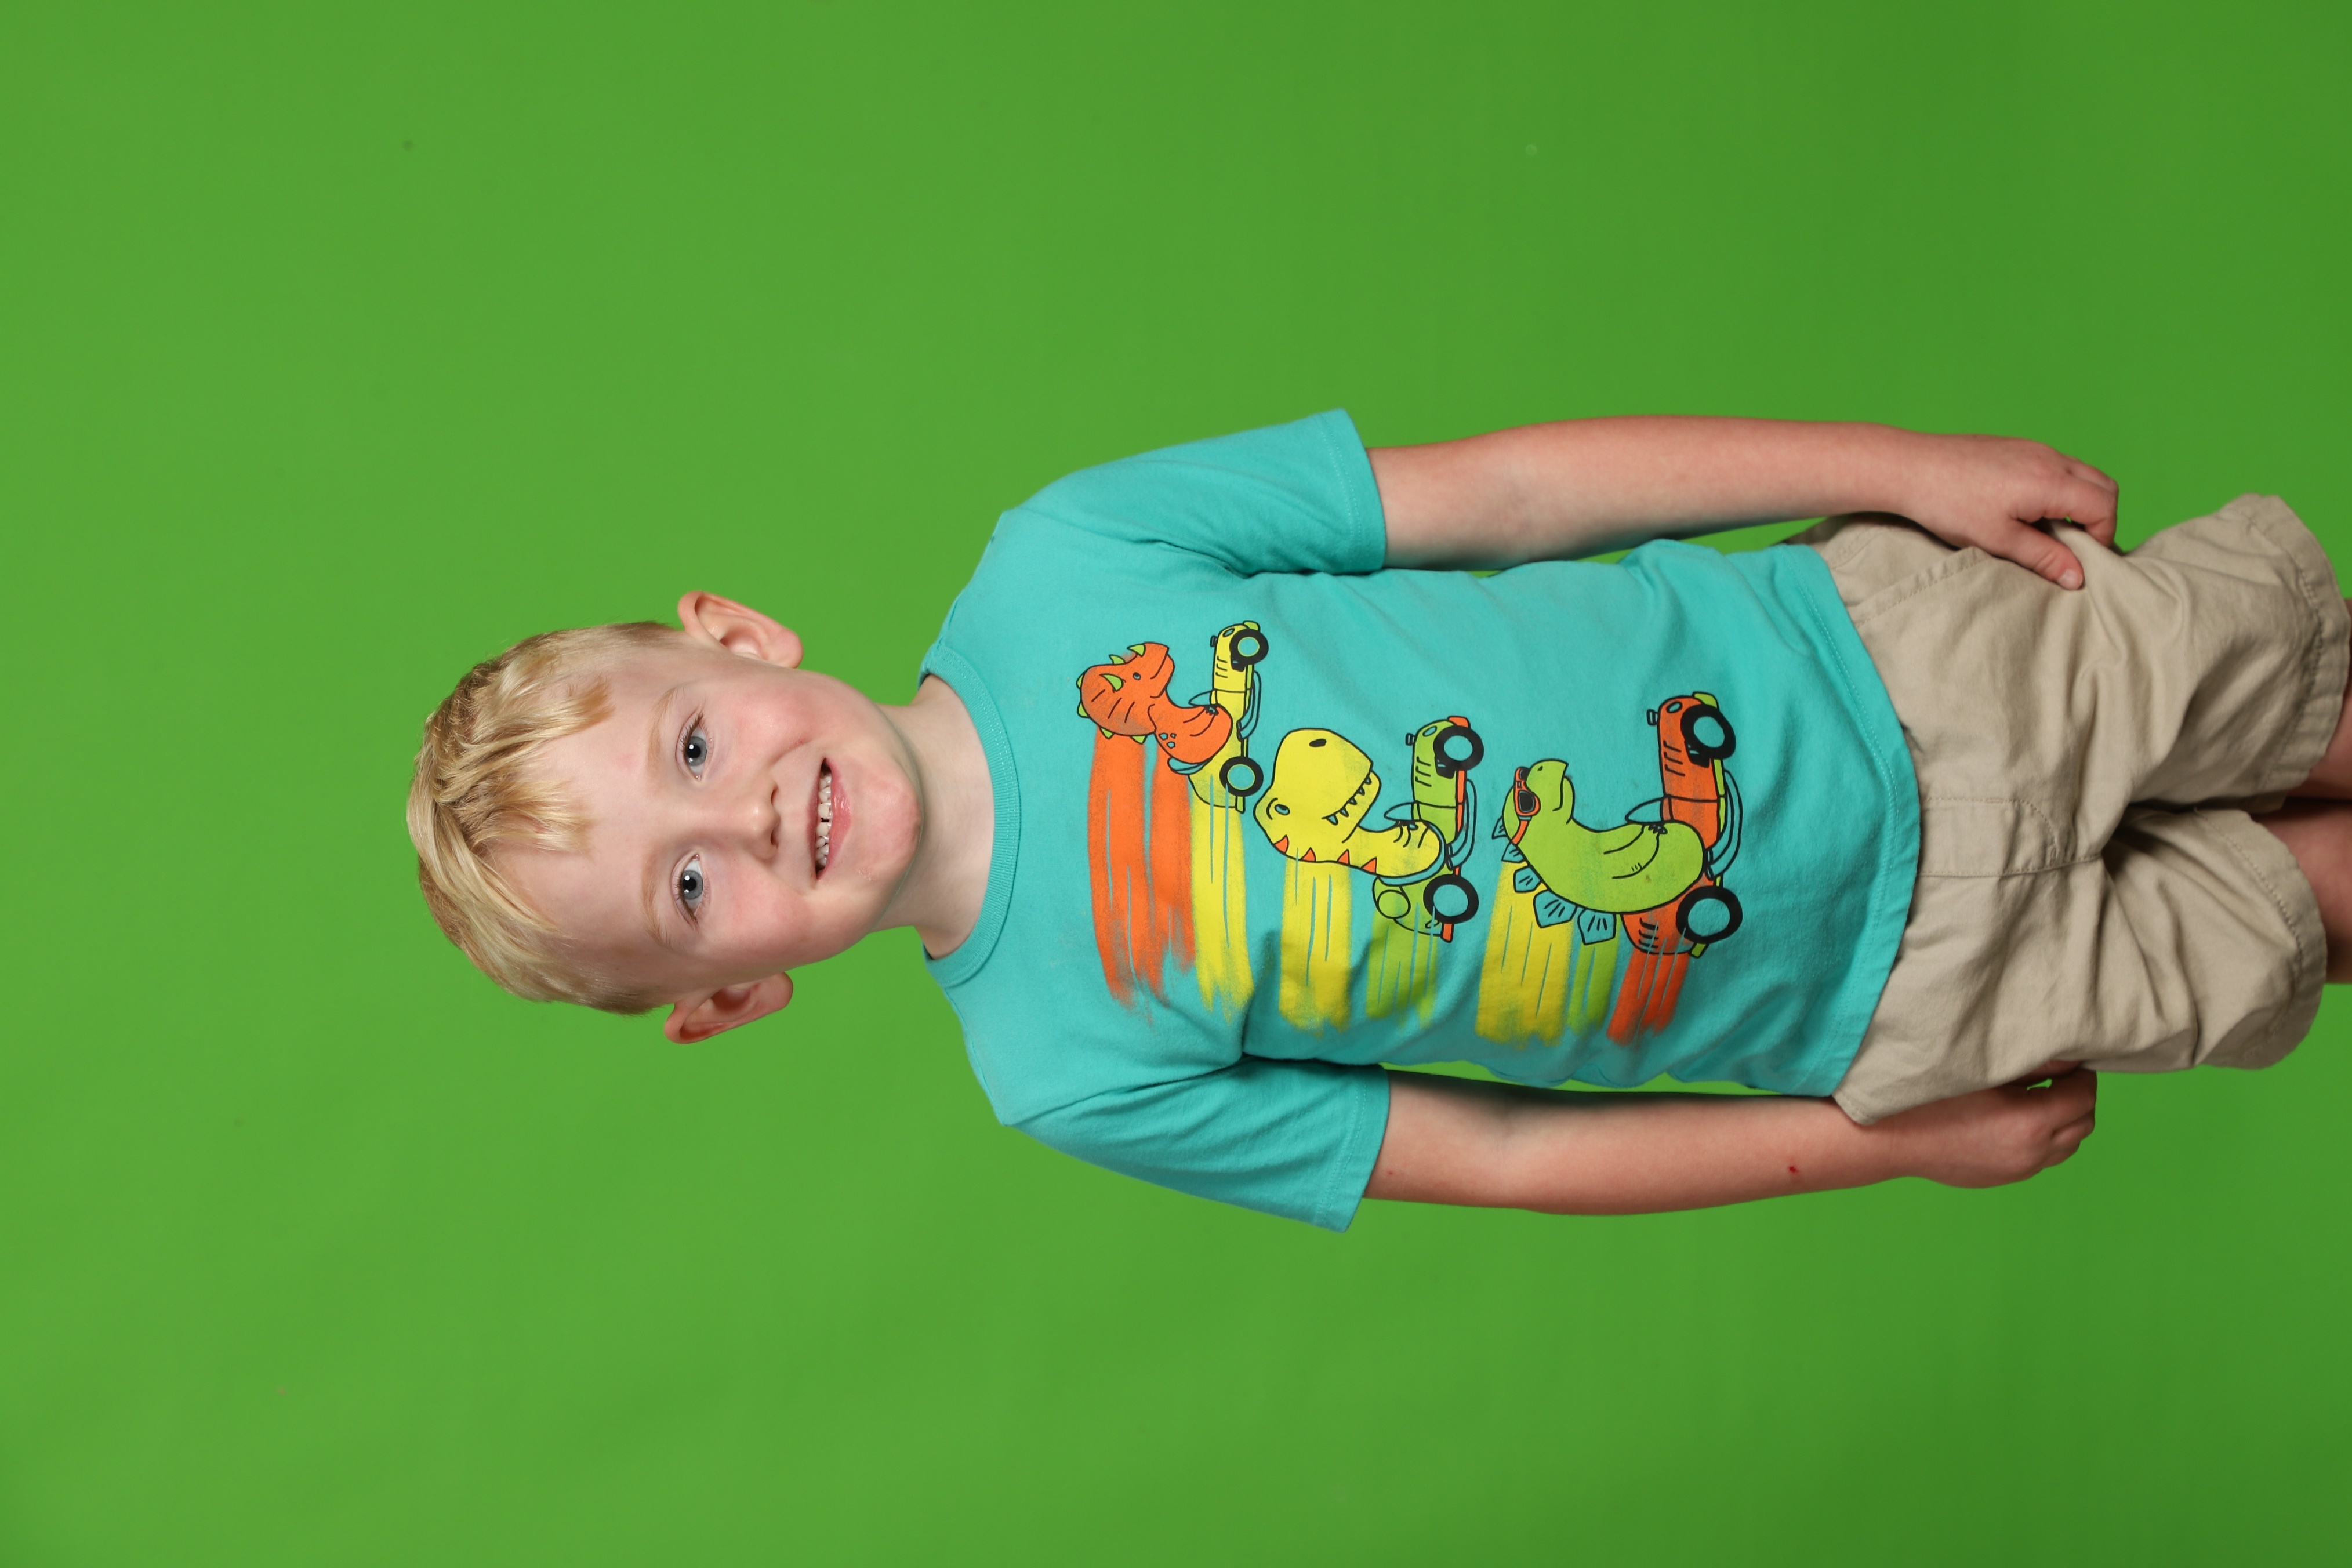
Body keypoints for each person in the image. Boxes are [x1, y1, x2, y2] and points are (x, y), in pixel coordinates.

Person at [407, 413, 2352, 1229]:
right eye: (686, 888)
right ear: (728, 996)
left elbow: (1506, 495)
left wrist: (1894, 467)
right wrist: (1880, 1148)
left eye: (691, 746)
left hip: (1894, 664)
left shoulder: (1068, 559)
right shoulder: (1064, 1072)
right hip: (1901, 997)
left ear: (734, 636)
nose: (749, 818)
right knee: (2311, 911)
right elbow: (1497, 1152)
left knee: (2300, 694)